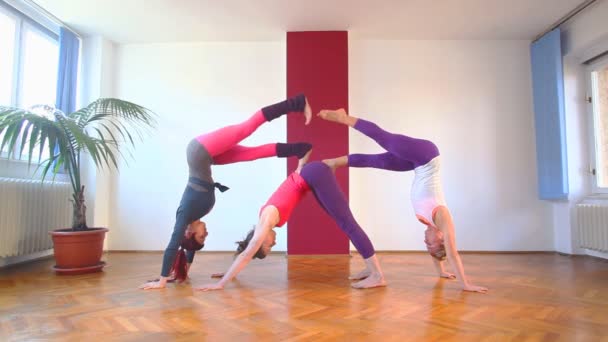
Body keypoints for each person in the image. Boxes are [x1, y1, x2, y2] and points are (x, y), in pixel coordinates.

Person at [139, 94, 312, 290]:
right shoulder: (192, 221)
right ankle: (300, 148)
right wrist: (183, 269)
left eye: (202, 236)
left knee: (247, 127)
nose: (207, 233)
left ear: (189, 233)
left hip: (199, 151)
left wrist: (162, 280)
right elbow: (188, 250)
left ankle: (297, 103)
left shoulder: (184, 215)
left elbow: (174, 244)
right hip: (208, 158)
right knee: (251, 154)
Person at [316, 109, 487, 293]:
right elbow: (452, 254)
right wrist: (465, 285)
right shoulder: (442, 217)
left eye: (427, 246)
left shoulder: (429, 222)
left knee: (376, 161)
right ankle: (343, 117)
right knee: (384, 138)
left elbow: (439, 254)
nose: (425, 242)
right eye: (430, 244)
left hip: (416, 165)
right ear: (441, 239)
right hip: (427, 156)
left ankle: (333, 162)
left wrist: (442, 271)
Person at [196, 151, 386, 291]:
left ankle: (377, 276)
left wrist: (221, 284)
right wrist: (228, 272)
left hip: (314, 175)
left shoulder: (267, 219)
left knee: (348, 224)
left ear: (260, 240)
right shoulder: (265, 217)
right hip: (311, 175)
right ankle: (370, 269)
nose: (274, 243)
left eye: (269, 246)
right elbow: (245, 250)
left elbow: (247, 253)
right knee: (344, 224)